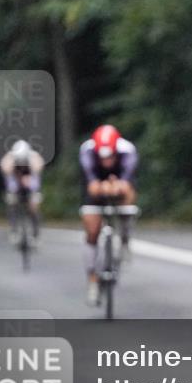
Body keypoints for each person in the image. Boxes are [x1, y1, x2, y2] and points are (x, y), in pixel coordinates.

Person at [79, 124, 139, 305]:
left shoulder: (127, 151)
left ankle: (125, 238)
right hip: (96, 185)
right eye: (102, 157)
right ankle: (92, 280)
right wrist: (100, 187)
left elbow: (127, 182)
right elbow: (91, 183)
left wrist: (118, 187)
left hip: (120, 182)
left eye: (110, 156)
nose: (106, 161)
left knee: (127, 203)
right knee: (91, 231)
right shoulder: (87, 150)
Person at [0, 140, 44, 244]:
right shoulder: (9, 158)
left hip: (31, 184)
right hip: (15, 184)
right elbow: (8, 177)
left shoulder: (34, 157)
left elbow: (36, 177)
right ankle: (14, 230)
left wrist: (29, 182)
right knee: (12, 202)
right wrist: (16, 183)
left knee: (34, 205)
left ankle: (35, 233)